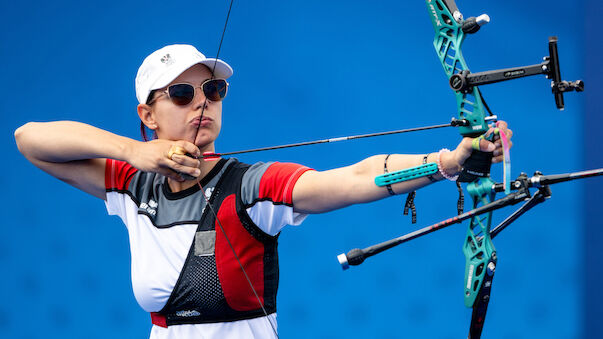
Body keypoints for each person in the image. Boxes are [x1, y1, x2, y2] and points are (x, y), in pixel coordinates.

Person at [14, 44, 512, 339]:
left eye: (213, 91)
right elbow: (30, 139)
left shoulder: (251, 186)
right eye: (182, 94)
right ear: (147, 114)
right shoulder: (130, 184)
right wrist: (136, 153)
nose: (202, 104)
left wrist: (446, 162)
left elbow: (356, 177)